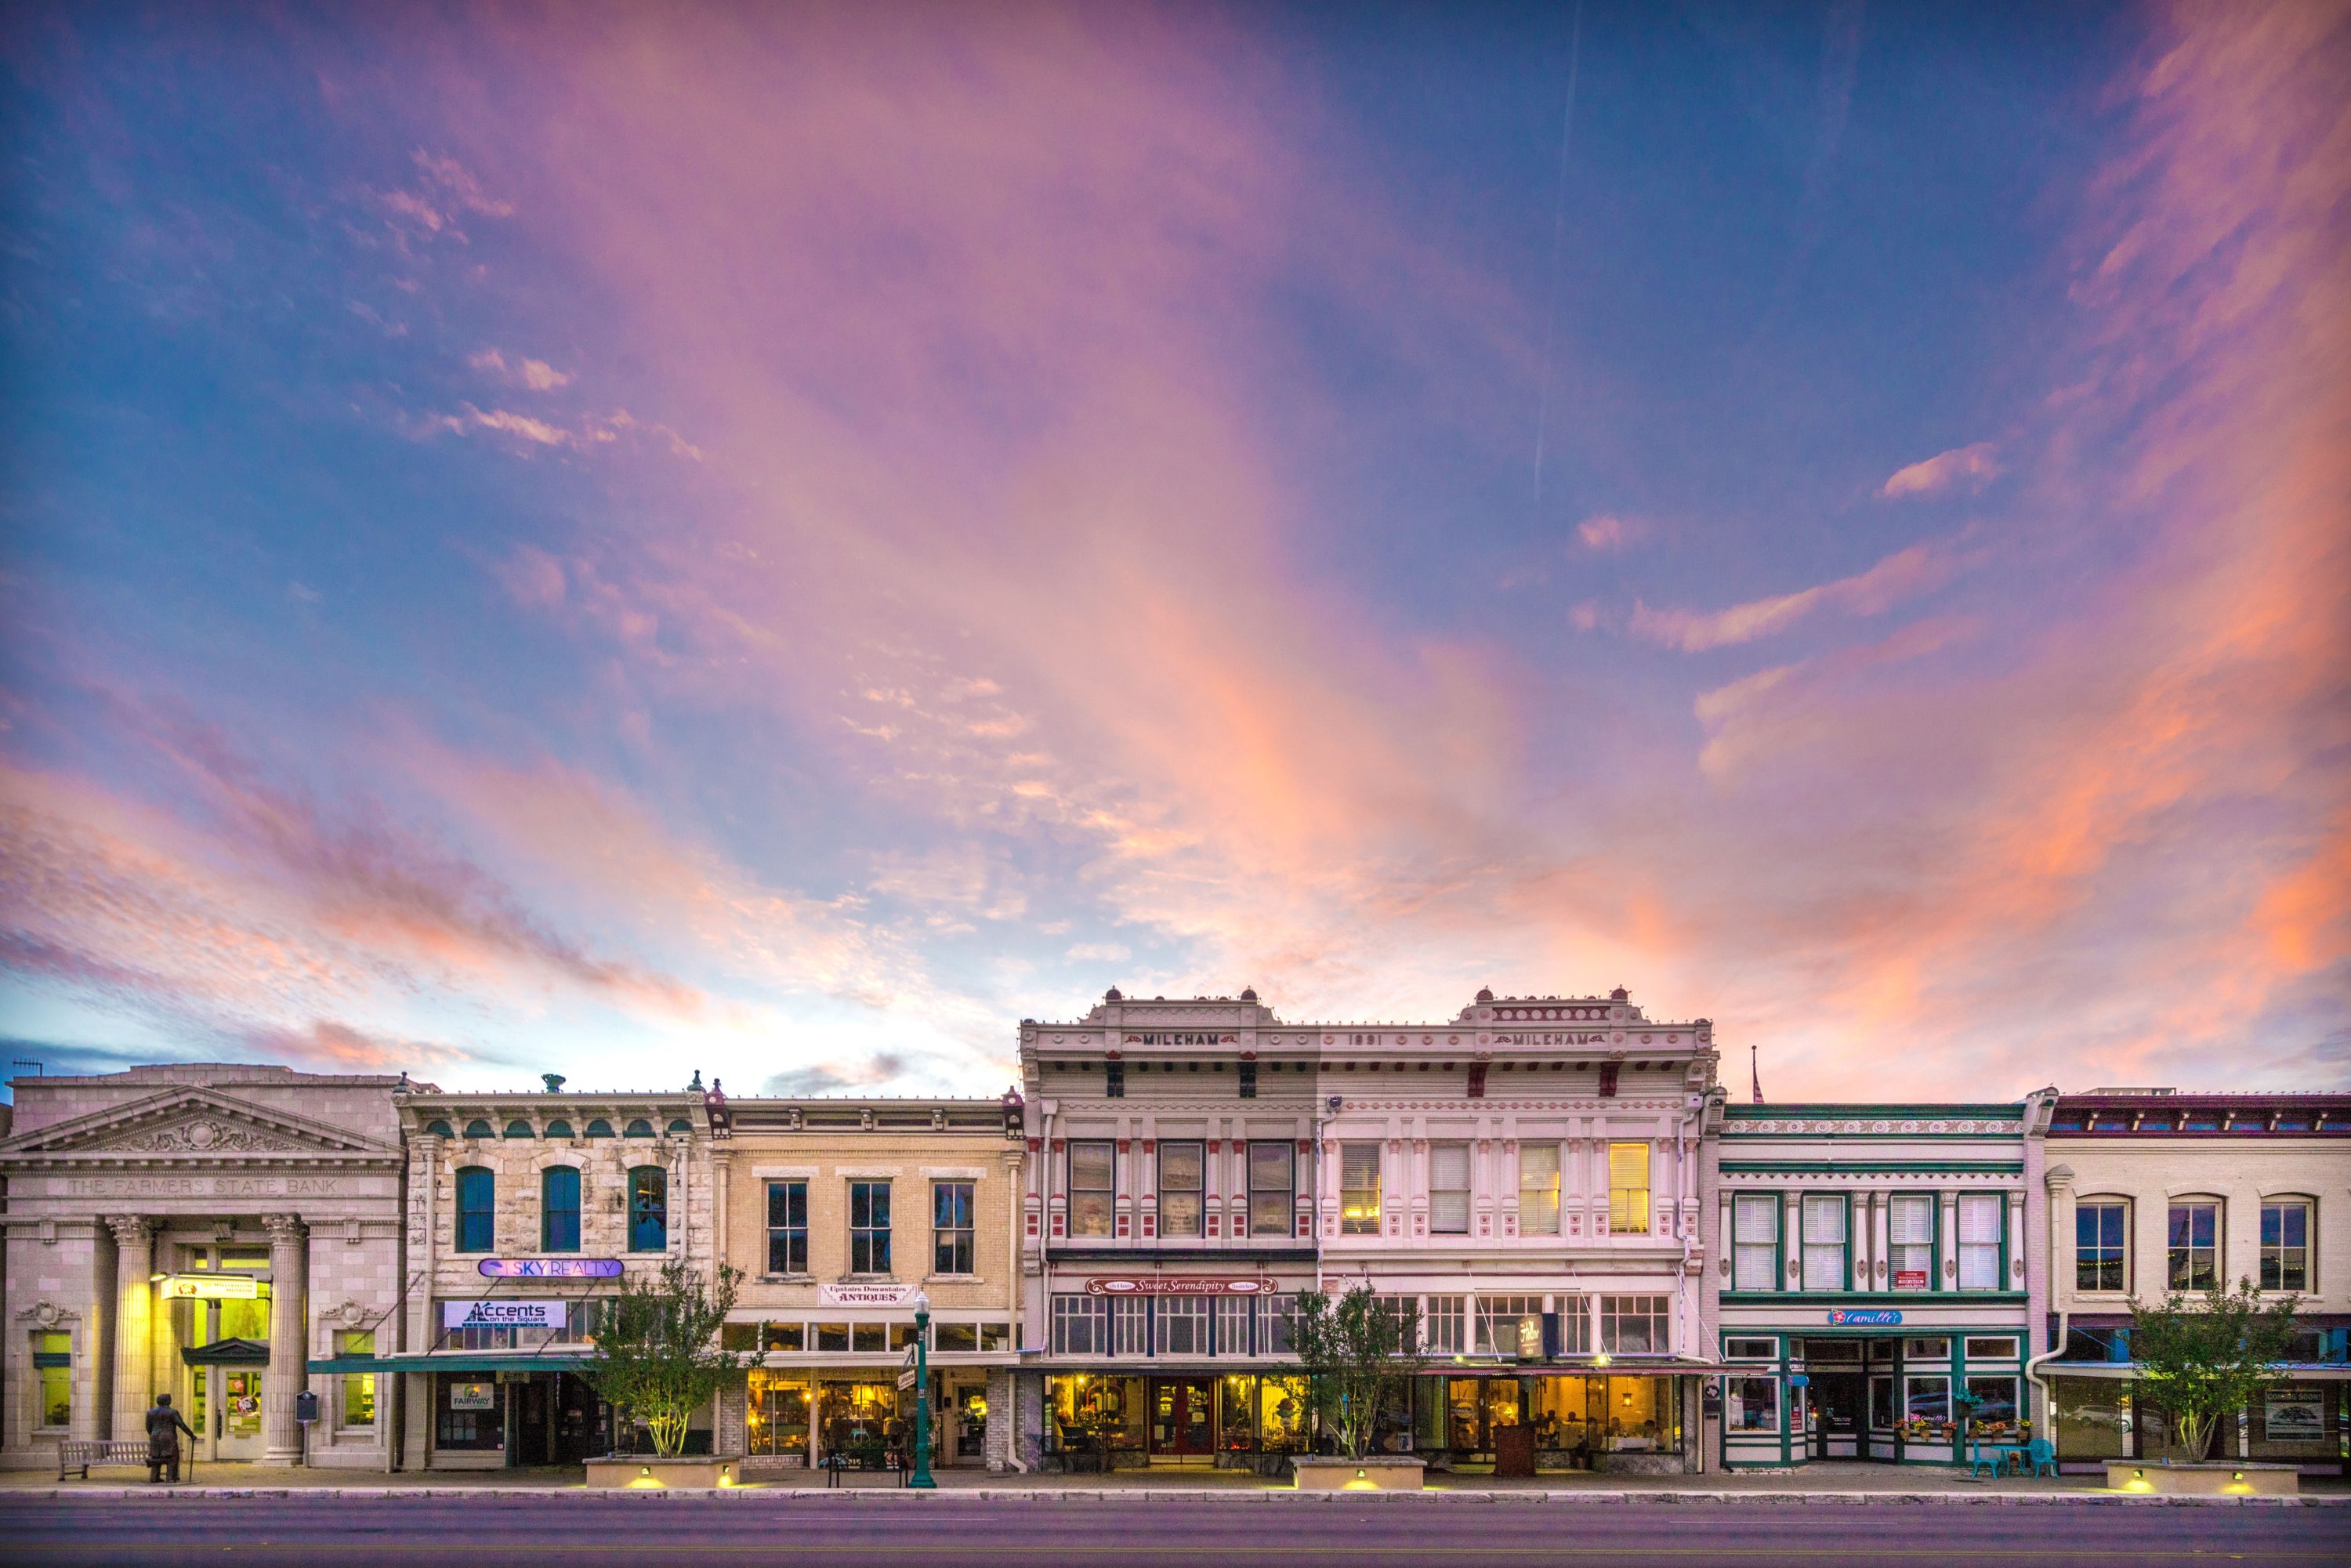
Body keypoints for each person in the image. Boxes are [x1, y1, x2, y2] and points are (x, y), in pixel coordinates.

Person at [146, 1392, 197, 1483]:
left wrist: (153, 1434)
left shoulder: (151, 1412)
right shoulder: (172, 1412)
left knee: (156, 1455)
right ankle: (170, 1478)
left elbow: (148, 1427)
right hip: (169, 1438)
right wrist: (191, 1435)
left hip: (154, 1437)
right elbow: (181, 1425)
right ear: (168, 1401)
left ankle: (154, 1477)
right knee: (173, 1457)